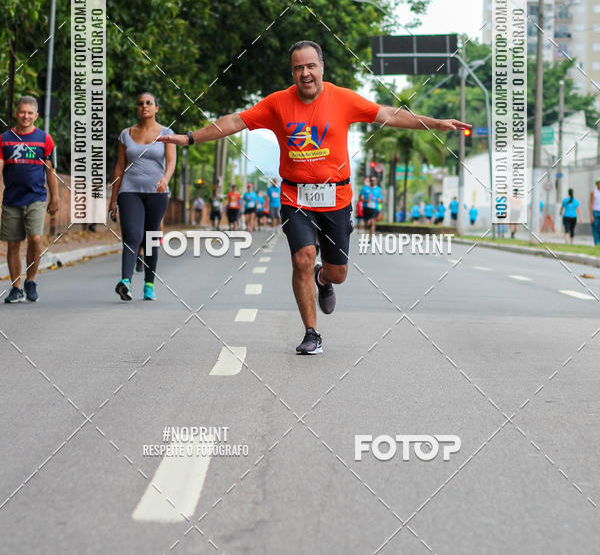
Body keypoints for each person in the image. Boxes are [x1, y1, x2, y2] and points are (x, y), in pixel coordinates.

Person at [160, 40, 469, 354]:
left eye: (310, 66)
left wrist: (435, 124)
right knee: (302, 257)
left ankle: (324, 278)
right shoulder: (277, 103)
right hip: (296, 198)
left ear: (322, 68)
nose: (305, 73)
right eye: (298, 68)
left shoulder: (344, 99)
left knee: (339, 273)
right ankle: (311, 333)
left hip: (337, 199)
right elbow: (236, 121)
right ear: (292, 72)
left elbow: (389, 114)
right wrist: (189, 138)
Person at [108, 92, 175, 301]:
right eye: (140, 103)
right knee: (132, 235)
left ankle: (148, 284)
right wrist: (113, 198)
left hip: (157, 192)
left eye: (149, 103)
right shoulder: (126, 134)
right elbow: (119, 166)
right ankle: (125, 281)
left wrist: (165, 179)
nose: (144, 106)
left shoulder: (166, 133)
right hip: (130, 191)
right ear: (137, 108)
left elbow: (172, 162)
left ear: (156, 108)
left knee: (151, 237)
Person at [1, 96, 58, 303]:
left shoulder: (44, 139)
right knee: (13, 244)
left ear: (36, 116)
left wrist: (55, 198)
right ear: (16, 113)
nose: (25, 116)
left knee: (35, 238)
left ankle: (31, 280)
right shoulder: (4, 139)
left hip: (36, 197)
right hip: (11, 200)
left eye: (29, 113)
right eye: (22, 112)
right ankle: (16, 286)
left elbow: (50, 171)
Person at [590, 178, 600, 246]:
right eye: (598, 183)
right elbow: (591, 203)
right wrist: (591, 215)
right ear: (596, 184)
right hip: (595, 212)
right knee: (595, 228)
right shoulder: (594, 192)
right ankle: (597, 243)